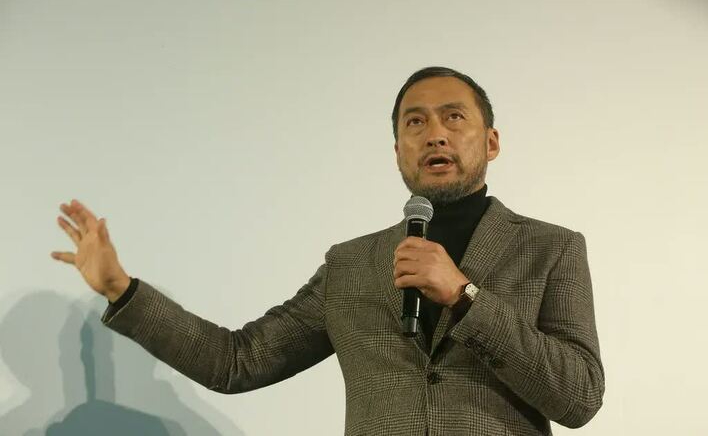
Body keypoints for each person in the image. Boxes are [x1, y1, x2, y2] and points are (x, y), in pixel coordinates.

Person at [51, 66, 605, 435]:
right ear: (398, 151)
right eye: (415, 122)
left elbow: (579, 398)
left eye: (453, 117)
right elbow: (237, 361)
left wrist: (465, 297)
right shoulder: (351, 265)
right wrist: (121, 289)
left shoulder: (551, 249)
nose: (435, 133)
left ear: (491, 141)